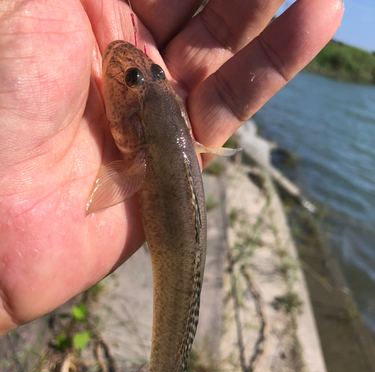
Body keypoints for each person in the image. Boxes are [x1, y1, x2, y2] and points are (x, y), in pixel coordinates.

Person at [0, 0, 343, 335]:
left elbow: (111, 185)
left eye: (145, 75)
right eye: (136, 77)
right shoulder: (161, 130)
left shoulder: (146, 144)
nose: (141, 71)